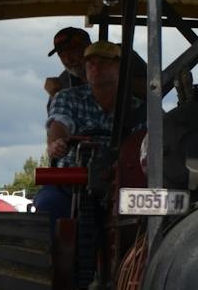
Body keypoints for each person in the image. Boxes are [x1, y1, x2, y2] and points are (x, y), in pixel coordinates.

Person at [35, 40, 130, 220]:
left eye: (103, 62)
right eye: (90, 62)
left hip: (119, 186)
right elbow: (59, 124)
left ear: (120, 67)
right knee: (48, 206)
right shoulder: (67, 98)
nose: (95, 67)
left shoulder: (137, 107)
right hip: (70, 184)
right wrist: (57, 144)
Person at [44, 27, 89, 99]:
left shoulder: (109, 73)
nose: (68, 60)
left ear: (87, 47)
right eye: (61, 55)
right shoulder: (62, 83)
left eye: (73, 51)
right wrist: (56, 95)